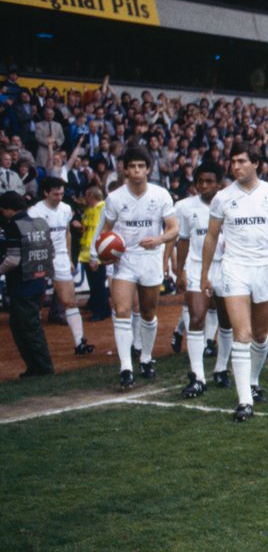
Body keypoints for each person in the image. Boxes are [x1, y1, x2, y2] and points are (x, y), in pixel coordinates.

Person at [203, 143, 268, 421]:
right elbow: (212, 237)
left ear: (256, 164)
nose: (236, 166)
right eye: (233, 161)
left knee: (260, 336)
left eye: (242, 161)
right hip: (234, 268)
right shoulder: (222, 198)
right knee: (242, 334)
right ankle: (244, 401)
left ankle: (253, 379)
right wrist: (205, 274)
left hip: (264, 269)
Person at [94, 146, 178, 389]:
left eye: (141, 166)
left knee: (149, 313)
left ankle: (146, 358)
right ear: (125, 169)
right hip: (125, 260)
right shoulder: (115, 198)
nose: (137, 171)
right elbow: (105, 231)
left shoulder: (161, 194)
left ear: (148, 169)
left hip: (151, 258)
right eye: (132, 166)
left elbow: (173, 228)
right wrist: (104, 253)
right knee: (122, 311)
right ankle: (125, 368)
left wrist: (159, 240)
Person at [27, 176, 94, 356]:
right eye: (55, 194)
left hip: (61, 257)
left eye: (62, 194)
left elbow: (67, 233)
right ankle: (33, 346)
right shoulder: (35, 212)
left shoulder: (66, 209)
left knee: (69, 301)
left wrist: (68, 257)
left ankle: (79, 342)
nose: (59, 197)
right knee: (34, 301)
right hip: (40, 258)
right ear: (46, 193)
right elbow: (31, 240)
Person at [173, 162, 223, 398]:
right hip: (195, 267)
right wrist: (179, 269)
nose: (204, 186)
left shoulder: (229, 203)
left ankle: (221, 369)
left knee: (227, 320)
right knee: (196, 317)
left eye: (209, 181)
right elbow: (182, 239)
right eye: (200, 181)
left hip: (224, 266)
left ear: (219, 183)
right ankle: (198, 377)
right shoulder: (183, 207)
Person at [0, 191, 55, 377]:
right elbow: (51, 253)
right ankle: (36, 367)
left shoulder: (13, 226)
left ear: (8, 209)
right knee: (21, 325)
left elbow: (13, 260)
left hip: (21, 284)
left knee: (29, 328)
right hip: (37, 281)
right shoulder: (40, 223)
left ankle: (43, 368)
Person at [78, 185, 110, 320]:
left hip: (95, 253)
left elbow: (99, 232)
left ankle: (101, 311)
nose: (85, 198)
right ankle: (97, 306)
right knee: (94, 284)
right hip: (86, 253)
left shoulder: (102, 208)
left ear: (92, 196)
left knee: (98, 285)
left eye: (87, 195)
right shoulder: (89, 210)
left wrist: (95, 256)